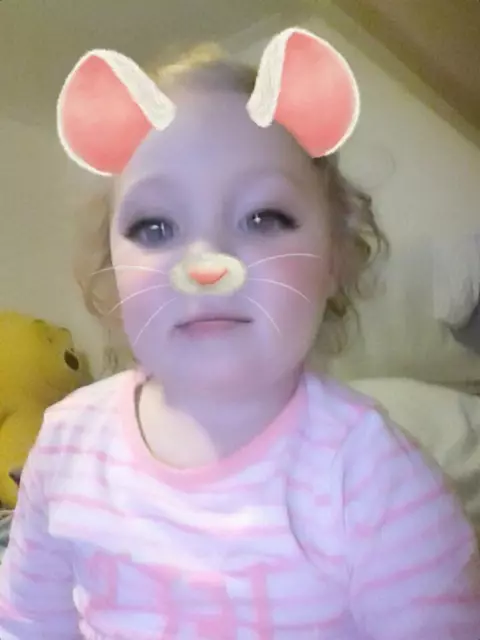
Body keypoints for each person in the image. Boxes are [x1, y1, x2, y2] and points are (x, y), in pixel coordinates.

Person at [0, 28, 479, 639]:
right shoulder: (65, 444)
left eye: (262, 217)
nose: (206, 264)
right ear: (110, 269)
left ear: (334, 256)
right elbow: (28, 624)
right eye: (155, 227)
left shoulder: (375, 479)